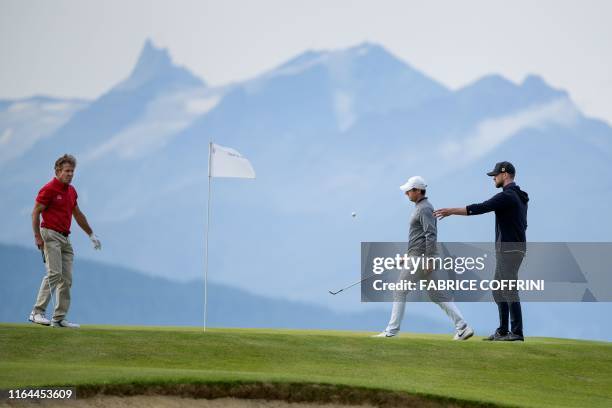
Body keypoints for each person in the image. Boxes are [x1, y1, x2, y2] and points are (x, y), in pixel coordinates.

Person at [433, 161, 529, 341]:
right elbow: (523, 223)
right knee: (499, 290)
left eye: (496, 175)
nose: (493, 178)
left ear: (505, 175)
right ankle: (503, 331)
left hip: (508, 249)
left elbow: (480, 207)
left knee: (507, 289)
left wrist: (451, 211)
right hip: (514, 248)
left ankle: (516, 332)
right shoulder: (519, 196)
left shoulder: (507, 196)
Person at [373, 176, 474, 340]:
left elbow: (430, 235)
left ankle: (391, 331)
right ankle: (463, 327)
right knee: (436, 295)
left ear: (418, 190)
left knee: (399, 290)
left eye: (409, 190)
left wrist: (430, 259)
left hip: (421, 259)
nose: (406, 193)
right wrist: (408, 255)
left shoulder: (425, 208)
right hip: (418, 257)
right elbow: (419, 237)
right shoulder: (420, 207)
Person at [29, 154, 102, 328]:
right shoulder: (49, 189)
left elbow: (77, 214)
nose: (70, 174)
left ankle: (59, 318)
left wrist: (91, 234)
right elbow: (35, 213)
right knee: (54, 273)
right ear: (58, 171)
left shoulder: (71, 191)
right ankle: (37, 312)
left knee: (66, 279)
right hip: (50, 234)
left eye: (72, 171)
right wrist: (37, 236)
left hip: (65, 238)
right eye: (67, 171)